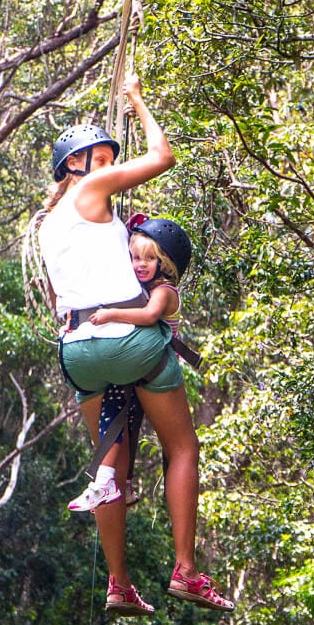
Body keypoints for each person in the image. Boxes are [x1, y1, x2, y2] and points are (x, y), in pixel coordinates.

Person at [38, 74, 234, 616]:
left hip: (79, 355)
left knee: (111, 472)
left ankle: (119, 584)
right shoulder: (90, 191)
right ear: (75, 167)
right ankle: (186, 571)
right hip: (131, 344)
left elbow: (67, 294)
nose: (108, 168)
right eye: (100, 158)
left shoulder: (50, 223)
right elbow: (162, 155)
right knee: (182, 447)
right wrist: (136, 97)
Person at [66, 213, 193, 514]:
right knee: (123, 420)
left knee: (136, 420)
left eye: (149, 259)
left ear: (166, 263)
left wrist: (111, 314)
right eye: (135, 258)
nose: (139, 264)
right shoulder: (138, 288)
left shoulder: (163, 292)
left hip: (155, 367)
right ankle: (116, 481)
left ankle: (122, 481)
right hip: (138, 368)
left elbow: (150, 316)